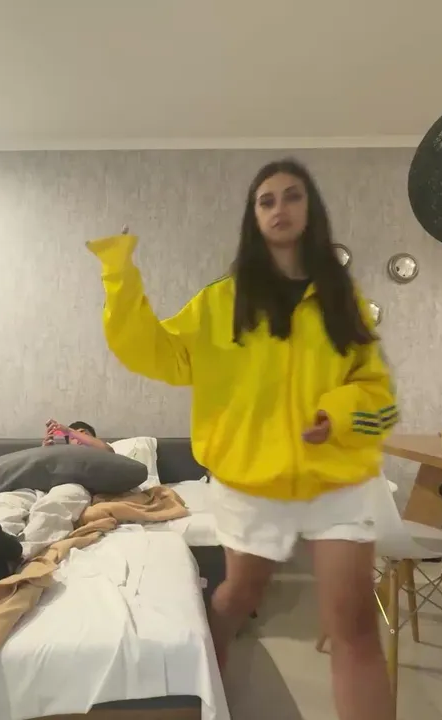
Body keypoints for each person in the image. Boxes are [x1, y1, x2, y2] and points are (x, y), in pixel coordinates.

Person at [86, 159, 399, 720]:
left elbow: (378, 392)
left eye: (292, 196)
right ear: (254, 218)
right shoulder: (219, 302)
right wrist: (119, 270)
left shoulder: (342, 298)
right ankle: (206, 681)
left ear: (311, 209)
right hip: (251, 482)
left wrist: (337, 415)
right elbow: (153, 351)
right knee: (238, 598)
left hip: (338, 479)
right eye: (266, 200)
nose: (280, 208)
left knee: (354, 624)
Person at [42, 418, 114, 452]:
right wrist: (46, 452)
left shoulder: (102, 453)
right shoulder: (67, 458)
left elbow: (109, 451)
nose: (79, 439)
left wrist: (69, 431)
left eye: (83, 433)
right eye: (73, 438)